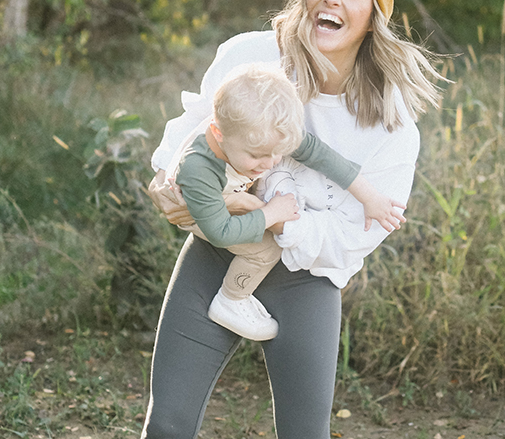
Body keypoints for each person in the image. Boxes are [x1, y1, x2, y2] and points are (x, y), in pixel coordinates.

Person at [131, 0, 442, 439]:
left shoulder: (388, 122)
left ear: (372, 16)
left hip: (306, 285)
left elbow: (350, 241)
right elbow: (197, 126)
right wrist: (171, 175)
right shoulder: (252, 54)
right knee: (165, 428)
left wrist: (275, 216)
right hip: (215, 259)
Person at [157, 65, 406, 342]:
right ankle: (231, 299)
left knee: (251, 194)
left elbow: (318, 154)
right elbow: (220, 231)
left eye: (278, 154)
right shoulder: (198, 169)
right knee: (266, 249)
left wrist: (369, 196)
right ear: (218, 133)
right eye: (257, 156)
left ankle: (238, 202)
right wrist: (269, 214)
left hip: (224, 195)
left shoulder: (263, 135)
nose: (270, 163)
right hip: (199, 211)